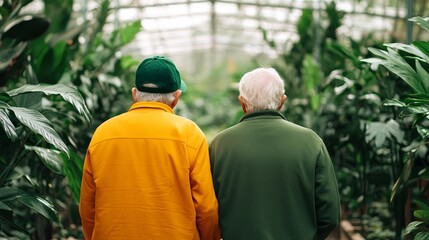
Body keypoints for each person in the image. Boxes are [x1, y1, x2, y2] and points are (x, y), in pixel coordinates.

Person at [80, 56, 220, 240]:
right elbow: (206, 207)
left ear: (134, 94)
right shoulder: (189, 134)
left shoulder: (102, 134)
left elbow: (88, 208)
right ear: (176, 98)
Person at [209, 67, 341, 240]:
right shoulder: (311, 142)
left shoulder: (220, 144)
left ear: (242, 102)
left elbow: (208, 207)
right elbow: (330, 215)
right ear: (282, 101)